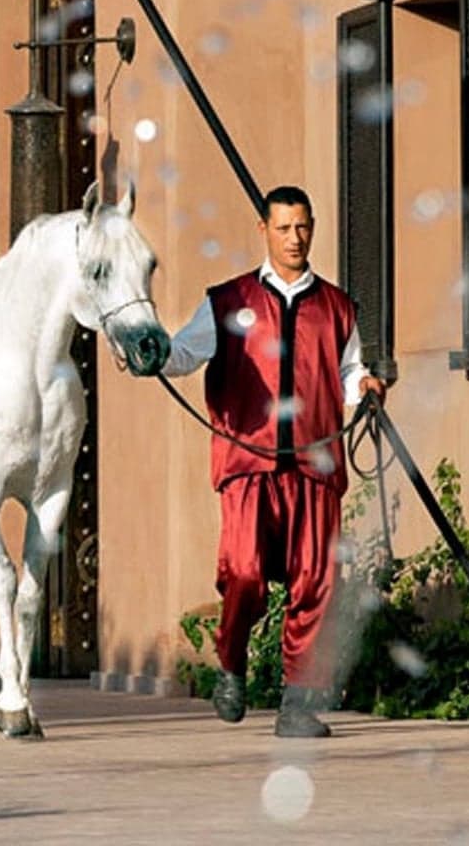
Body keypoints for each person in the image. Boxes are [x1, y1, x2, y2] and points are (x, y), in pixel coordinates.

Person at [160, 184, 387, 738]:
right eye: (283, 228)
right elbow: (184, 352)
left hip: (314, 466)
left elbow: (348, 372)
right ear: (263, 230)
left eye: (303, 227)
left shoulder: (337, 307)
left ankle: (297, 704)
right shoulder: (227, 301)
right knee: (244, 574)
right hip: (249, 464)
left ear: (314, 228)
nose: (294, 238)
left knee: (316, 582)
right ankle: (232, 665)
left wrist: (365, 385)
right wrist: (151, 352)